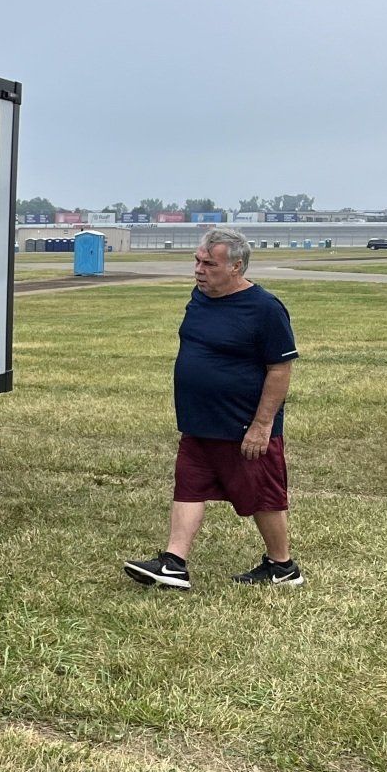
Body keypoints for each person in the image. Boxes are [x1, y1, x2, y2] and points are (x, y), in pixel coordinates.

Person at [125, 226, 304, 591]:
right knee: (188, 487)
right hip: (198, 421)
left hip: (242, 426)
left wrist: (262, 424)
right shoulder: (200, 297)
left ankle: (282, 566)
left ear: (236, 267)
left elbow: (280, 368)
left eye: (209, 263)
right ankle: (174, 563)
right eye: (197, 260)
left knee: (262, 496)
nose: (198, 269)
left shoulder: (265, 309)